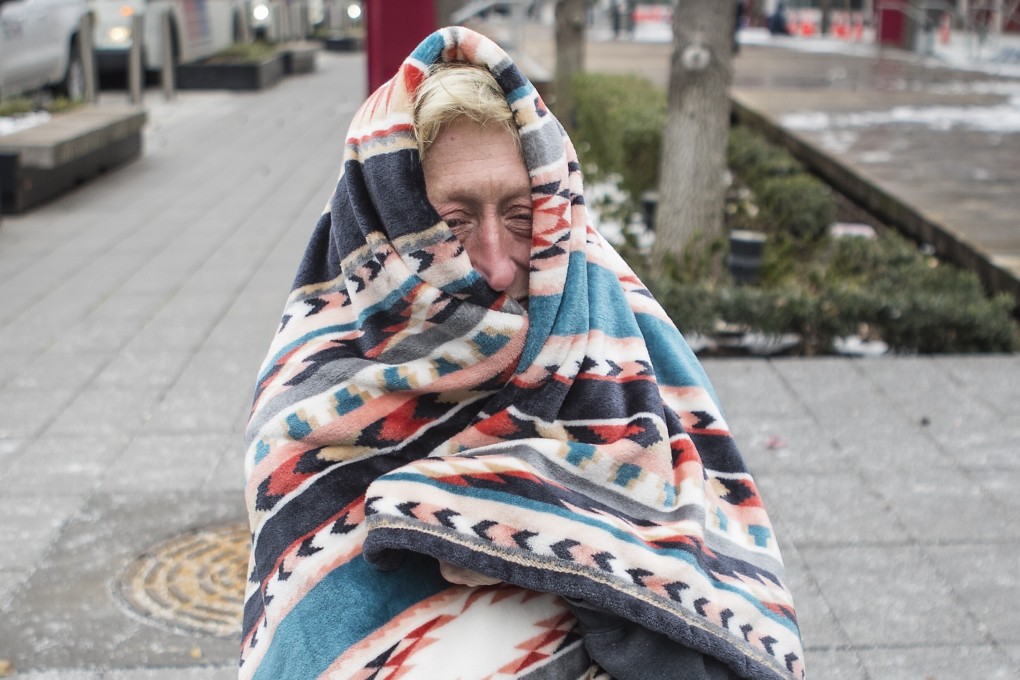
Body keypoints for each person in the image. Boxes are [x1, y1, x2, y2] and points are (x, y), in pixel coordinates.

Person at [240, 27, 803, 680]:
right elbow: (308, 633)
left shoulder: (601, 314)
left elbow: (709, 547)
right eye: (451, 225)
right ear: (388, 223)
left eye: (520, 214)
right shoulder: (307, 403)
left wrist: (493, 508)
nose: (499, 264)